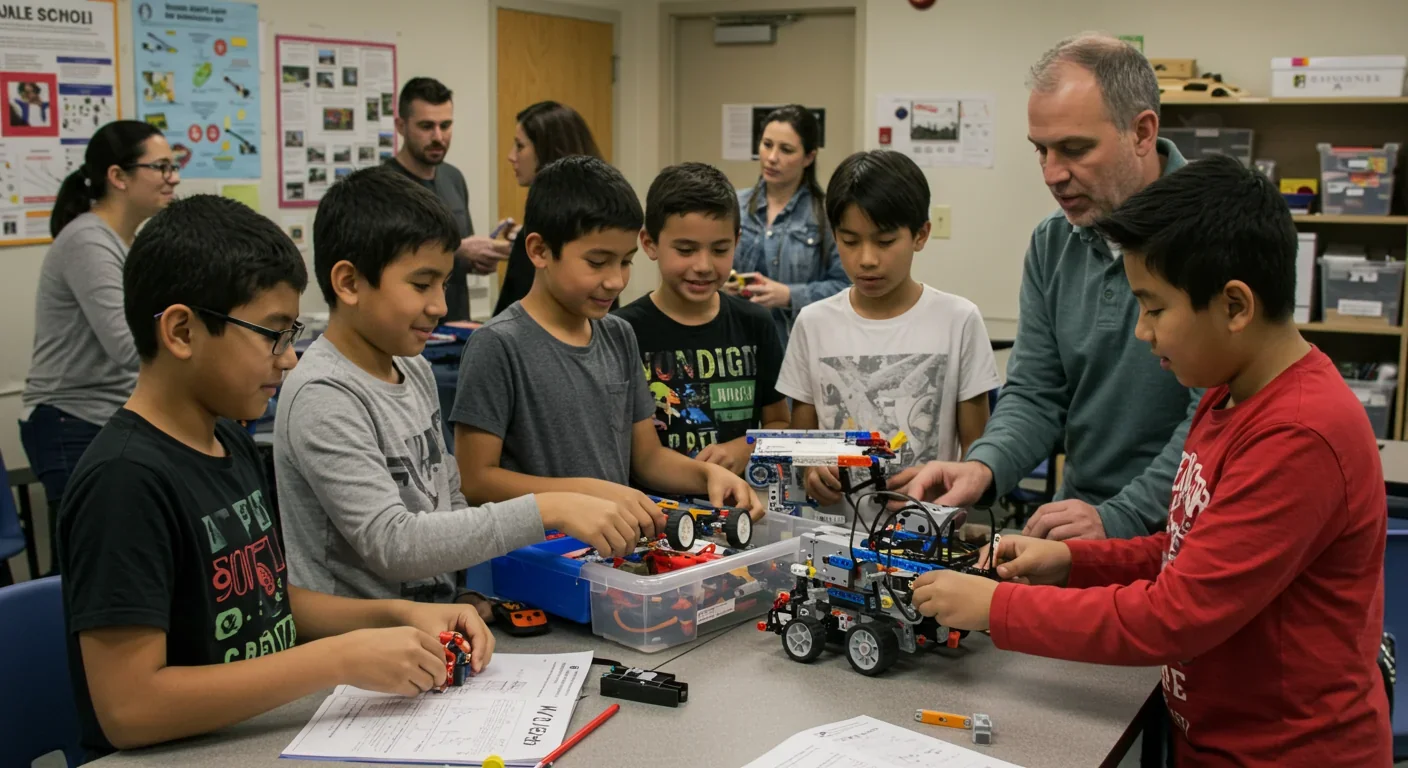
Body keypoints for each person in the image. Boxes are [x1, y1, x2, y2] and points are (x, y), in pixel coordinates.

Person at [909, 154, 1392, 767]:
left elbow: (1173, 616)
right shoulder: (1227, 393)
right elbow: (1188, 550)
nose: (1143, 331)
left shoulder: (1298, 435)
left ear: (1235, 306)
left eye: (1155, 308)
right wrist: (1073, 561)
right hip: (1216, 741)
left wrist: (994, 608)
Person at [58, 195, 498, 761]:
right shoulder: (124, 482)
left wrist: (397, 615)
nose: (290, 358)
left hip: (258, 736)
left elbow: (267, 599)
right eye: (273, 334)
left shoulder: (230, 442)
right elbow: (130, 709)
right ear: (182, 331)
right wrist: (337, 659)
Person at [274, 166, 658, 611]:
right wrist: (550, 507)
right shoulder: (323, 394)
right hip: (364, 642)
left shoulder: (413, 368)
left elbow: (450, 499)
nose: (440, 305)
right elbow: (392, 543)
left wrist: (464, 589)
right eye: (421, 285)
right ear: (349, 283)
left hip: (437, 624)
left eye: (444, 284)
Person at [897, 34, 1199, 541]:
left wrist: (1121, 516)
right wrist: (984, 466)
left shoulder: (1214, 234)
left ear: (1142, 132)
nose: (1052, 174)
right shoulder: (1053, 242)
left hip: (1182, 531)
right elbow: (1037, 392)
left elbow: (1213, 419)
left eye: (1075, 149)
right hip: (1079, 520)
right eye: (1041, 150)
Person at [452, 156, 763, 525]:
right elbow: (476, 480)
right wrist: (586, 493)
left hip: (614, 549)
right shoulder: (497, 345)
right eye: (597, 262)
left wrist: (708, 475)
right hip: (536, 552)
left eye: (625, 262)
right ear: (539, 251)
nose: (616, 281)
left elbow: (647, 459)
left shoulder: (619, 335)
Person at [777, 150, 998, 518]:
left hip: (926, 531)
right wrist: (813, 473)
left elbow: (977, 454)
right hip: (830, 533)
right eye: (850, 241)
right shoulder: (813, 323)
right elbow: (804, 448)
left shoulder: (959, 320)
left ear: (920, 235)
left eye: (884, 242)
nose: (867, 259)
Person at [20, 120, 179, 574]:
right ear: (118, 176)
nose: (172, 178)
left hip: (107, 416)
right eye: (160, 167)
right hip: (72, 420)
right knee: (86, 571)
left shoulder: (127, 242)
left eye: (173, 166)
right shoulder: (89, 240)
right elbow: (130, 347)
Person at [614, 162, 790, 473]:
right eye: (686, 250)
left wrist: (743, 447)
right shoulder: (622, 331)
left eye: (720, 250)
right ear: (649, 243)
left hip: (741, 498)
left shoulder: (756, 323)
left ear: (736, 241)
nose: (704, 266)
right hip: (651, 500)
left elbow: (779, 423)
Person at [728, 104, 849, 347]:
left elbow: (846, 287)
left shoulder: (826, 215)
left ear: (809, 157)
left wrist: (789, 295)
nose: (772, 158)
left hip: (797, 345)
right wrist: (722, 288)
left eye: (786, 150)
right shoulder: (734, 206)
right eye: (767, 145)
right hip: (737, 343)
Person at [388, 76, 507, 321]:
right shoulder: (382, 185)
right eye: (426, 126)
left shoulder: (454, 178)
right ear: (401, 126)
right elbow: (386, 262)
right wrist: (458, 251)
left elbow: (461, 255)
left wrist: (481, 258)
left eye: (445, 125)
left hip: (456, 323)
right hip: (407, 326)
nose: (438, 137)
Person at [493, 100, 606, 316]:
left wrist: (523, 243)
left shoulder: (538, 239)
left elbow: (510, 317)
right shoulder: (599, 216)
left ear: (548, 150)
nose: (511, 156)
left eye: (520, 146)